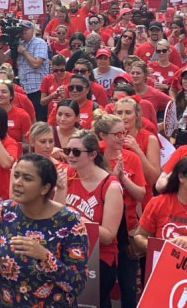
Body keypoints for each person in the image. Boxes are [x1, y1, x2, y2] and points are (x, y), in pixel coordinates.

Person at [0, 153, 88, 307]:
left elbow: (77, 286)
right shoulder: (3, 212)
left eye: (27, 178)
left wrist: (45, 257)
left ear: (45, 188)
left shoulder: (70, 221)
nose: (17, 183)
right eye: (16, 175)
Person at [59, 131, 124, 308]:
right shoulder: (66, 176)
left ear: (93, 154)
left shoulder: (110, 186)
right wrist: (58, 191)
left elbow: (109, 235)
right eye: (68, 150)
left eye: (76, 152)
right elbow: (56, 219)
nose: (70, 155)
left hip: (99, 259)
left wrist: (76, 217)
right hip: (69, 254)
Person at [94, 113, 146, 308]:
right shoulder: (94, 155)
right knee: (102, 288)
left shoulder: (131, 157)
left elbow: (141, 194)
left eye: (123, 132)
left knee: (128, 286)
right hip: (102, 231)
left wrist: (123, 180)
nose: (122, 137)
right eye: (116, 134)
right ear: (102, 136)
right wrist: (110, 180)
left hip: (127, 230)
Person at [134, 157, 187, 252]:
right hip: (163, 263)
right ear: (181, 177)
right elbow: (140, 236)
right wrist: (162, 248)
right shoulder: (158, 202)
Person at [15, 20, 49, 121]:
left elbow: (36, 64)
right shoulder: (19, 44)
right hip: (23, 90)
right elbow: (2, 58)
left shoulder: (40, 43)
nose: (24, 32)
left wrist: (24, 52)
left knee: (38, 120)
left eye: (26, 29)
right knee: (26, 119)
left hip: (37, 89)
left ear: (32, 30)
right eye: (22, 30)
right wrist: (0, 45)